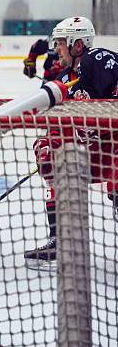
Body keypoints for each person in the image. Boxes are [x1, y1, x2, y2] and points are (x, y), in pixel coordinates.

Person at [24, 17, 118, 269]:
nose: (57, 49)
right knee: (48, 150)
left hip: (114, 143)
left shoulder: (96, 59)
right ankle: (59, 240)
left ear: (78, 45)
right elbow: (57, 120)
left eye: (62, 43)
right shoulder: (65, 76)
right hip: (95, 146)